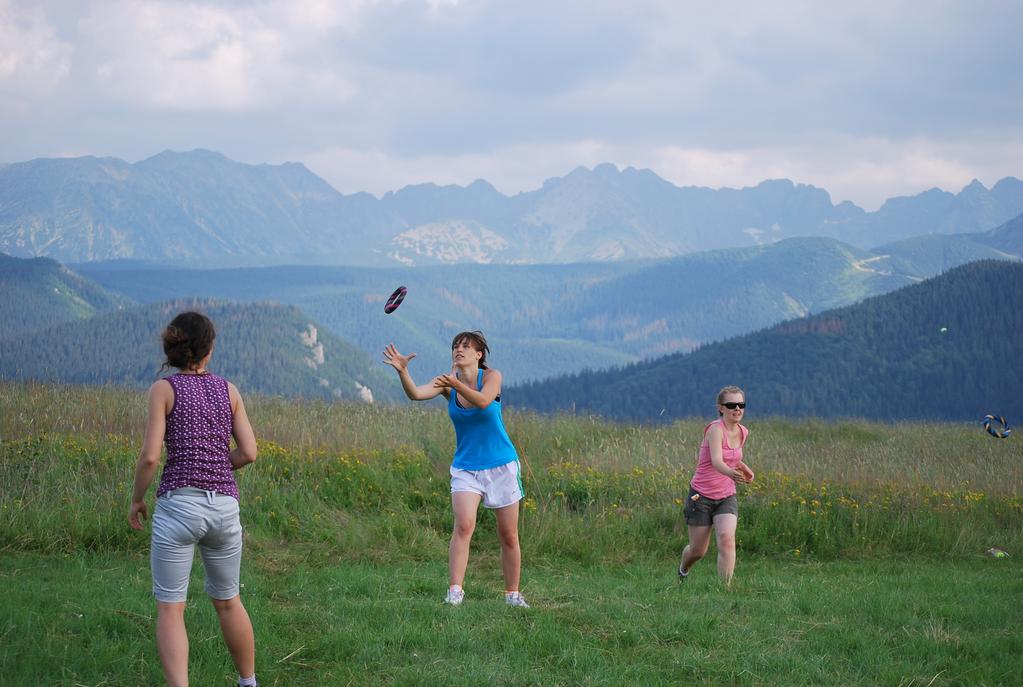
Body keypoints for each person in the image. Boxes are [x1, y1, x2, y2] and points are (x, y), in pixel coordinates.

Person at [128, 311, 259, 687]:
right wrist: (217, 464)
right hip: (224, 507)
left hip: (179, 505)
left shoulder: (163, 391)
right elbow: (249, 452)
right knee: (229, 601)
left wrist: (137, 499)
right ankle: (248, 682)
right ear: (208, 350)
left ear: (172, 349)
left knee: (171, 608)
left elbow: (151, 456)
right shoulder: (228, 390)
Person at [383, 331, 529, 608]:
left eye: (466, 346)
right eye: (455, 346)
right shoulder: (446, 383)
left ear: (479, 355)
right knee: (463, 525)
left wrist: (455, 385)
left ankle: (512, 595)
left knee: (508, 535)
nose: (459, 350)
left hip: (502, 466)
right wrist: (403, 372)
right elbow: (415, 394)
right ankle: (455, 593)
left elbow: (484, 401)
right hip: (466, 467)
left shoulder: (492, 377)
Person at [677, 386, 754, 587]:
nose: (737, 409)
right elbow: (717, 461)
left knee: (727, 539)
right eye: (731, 405)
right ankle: (683, 569)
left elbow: (733, 457)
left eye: (741, 405)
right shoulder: (714, 430)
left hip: (726, 496)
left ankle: (724, 589)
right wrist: (731, 473)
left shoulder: (743, 431)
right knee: (697, 551)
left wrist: (745, 469)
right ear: (721, 408)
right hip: (700, 496)